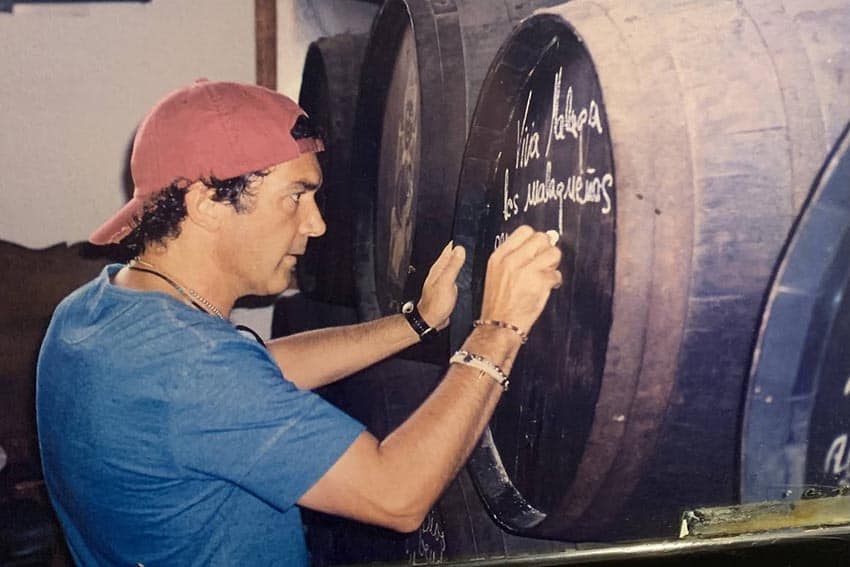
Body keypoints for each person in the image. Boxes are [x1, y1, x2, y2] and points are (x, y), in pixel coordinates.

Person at [36, 80, 562, 566]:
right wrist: (499, 327)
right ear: (205, 203)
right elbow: (397, 496)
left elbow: (258, 370)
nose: (316, 223)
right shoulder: (195, 373)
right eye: (295, 195)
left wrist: (416, 322)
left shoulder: (92, 310)